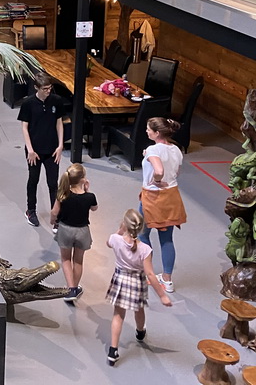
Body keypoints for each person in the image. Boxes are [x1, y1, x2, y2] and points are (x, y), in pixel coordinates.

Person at [106, 209, 173, 366]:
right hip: (136, 281)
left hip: (120, 279)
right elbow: (150, 274)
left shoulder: (115, 239)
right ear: (141, 228)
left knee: (118, 315)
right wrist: (163, 295)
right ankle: (140, 331)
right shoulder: (145, 249)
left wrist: (120, 230)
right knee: (139, 309)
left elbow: (109, 243)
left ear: (125, 224)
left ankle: (113, 350)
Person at [138, 116, 187, 292]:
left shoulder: (153, 150)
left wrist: (156, 179)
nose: (146, 131)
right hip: (171, 197)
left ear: (157, 133)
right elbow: (176, 172)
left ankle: (149, 273)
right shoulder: (176, 150)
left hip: (153, 198)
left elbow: (159, 170)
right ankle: (167, 279)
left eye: (149, 129)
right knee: (167, 239)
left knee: (143, 235)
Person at [18, 73, 70, 227]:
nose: (48, 91)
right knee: (33, 180)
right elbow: (24, 127)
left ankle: (55, 215)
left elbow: (59, 123)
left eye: (50, 88)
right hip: (34, 151)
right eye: (45, 89)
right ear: (36, 88)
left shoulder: (56, 101)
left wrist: (60, 146)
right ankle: (31, 211)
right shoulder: (28, 103)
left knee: (53, 184)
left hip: (52, 150)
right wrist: (30, 150)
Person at [50, 163, 98, 304]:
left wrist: (53, 221)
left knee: (66, 259)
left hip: (66, 229)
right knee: (78, 261)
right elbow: (94, 208)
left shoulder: (63, 195)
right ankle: (75, 288)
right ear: (83, 179)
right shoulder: (90, 197)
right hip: (83, 231)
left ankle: (70, 288)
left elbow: (54, 212)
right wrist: (87, 190)